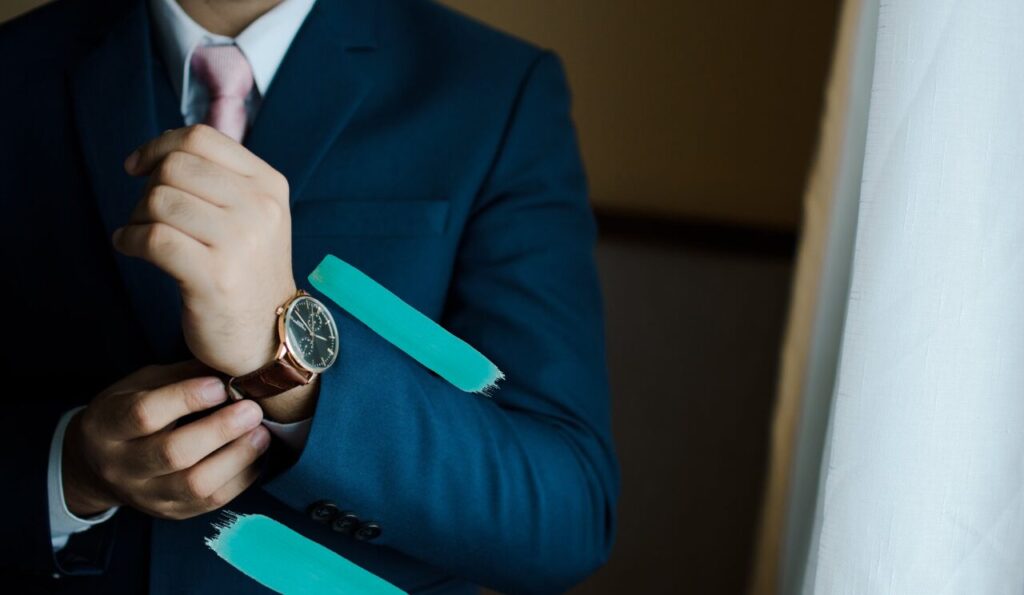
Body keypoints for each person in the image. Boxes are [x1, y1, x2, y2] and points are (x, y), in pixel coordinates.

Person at [0, 0, 618, 592]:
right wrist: (70, 472)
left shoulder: (496, 89)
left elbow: (566, 519)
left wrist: (289, 370)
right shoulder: (17, 66)